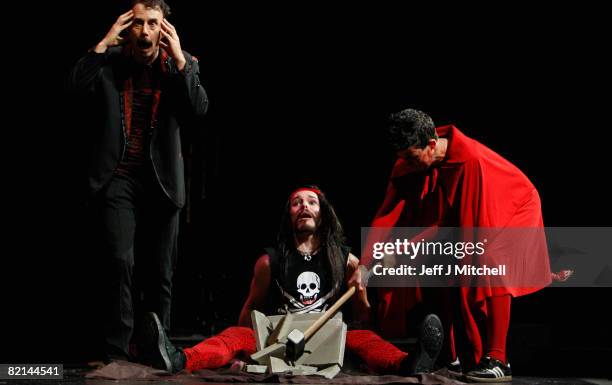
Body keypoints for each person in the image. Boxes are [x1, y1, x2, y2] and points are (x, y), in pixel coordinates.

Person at [139, 186, 443, 376]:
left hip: (329, 337)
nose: (305, 207)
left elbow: (363, 319)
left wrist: (361, 294)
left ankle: (409, 364)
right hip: (278, 337)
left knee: (365, 340)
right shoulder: (268, 262)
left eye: (312, 201)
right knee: (232, 335)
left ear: (322, 214)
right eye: (297, 203)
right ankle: (178, 359)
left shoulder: (346, 260)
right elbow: (250, 313)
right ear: (290, 215)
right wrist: (243, 350)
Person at [358, 108, 554, 382]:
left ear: (431, 144)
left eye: (412, 159)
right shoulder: (409, 158)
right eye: (402, 159)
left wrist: (402, 250)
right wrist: (367, 262)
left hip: (513, 206)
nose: (407, 165)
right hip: (464, 217)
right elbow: (388, 211)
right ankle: (450, 357)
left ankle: (498, 359)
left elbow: (454, 228)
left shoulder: (470, 162)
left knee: (488, 263)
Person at [68, 0, 208, 362]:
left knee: (161, 271)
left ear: (164, 28)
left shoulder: (181, 63)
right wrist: (102, 44)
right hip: (119, 177)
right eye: (138, 23)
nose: (145, 31)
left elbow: (198, 109)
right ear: (128, 27)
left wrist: (179, 61)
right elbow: (75, 91)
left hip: (162, 180)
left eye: (152, 24)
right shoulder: (109, 60)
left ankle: (156, 349)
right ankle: (116, 350)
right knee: (120, 261)